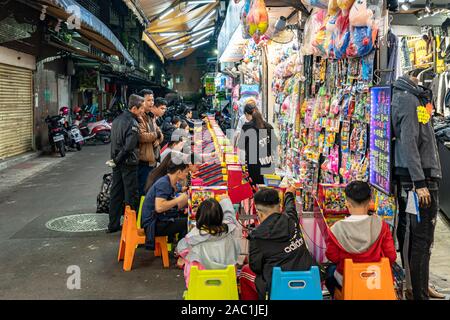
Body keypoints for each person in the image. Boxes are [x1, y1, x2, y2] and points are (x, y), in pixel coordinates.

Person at [392, 71, 444, 300]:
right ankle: (419, 292)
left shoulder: (409, 96)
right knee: (422, 239)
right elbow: (409, 142)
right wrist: (419, 182)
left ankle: (417, 286)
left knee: (415, 237)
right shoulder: (408, 99)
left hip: (414, 176)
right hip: (418, 179)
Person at [239, 186, 315, 300]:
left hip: (278, 287)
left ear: (259, 213)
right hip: (308, 280)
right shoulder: (291, 219)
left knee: (245, 271)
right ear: (279, 208)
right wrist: (289, 194)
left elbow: (256, 268)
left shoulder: (257, 236)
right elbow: (290, 206)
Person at [324, 181, 397, 297]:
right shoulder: (380, 224)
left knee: (329, 272)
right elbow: (391, 256)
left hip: (347, 280)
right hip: (376, 278)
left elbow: (332, 256)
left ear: (347, 203)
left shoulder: (336, 229)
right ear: (370, 201)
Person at [175, 194, 241, 288]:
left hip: (199, 285)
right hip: (226, 284)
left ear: (199, 216)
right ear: (220, 216)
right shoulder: (228, 231)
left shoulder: (193, 236)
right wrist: (226, 201)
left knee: (188, 261)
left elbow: (181, 252)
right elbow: (230, 218)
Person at [107, 94, 143, 233]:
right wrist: (118, 159)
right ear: (134, 108)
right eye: (141, 109)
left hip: (117, 162)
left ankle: (113, 224)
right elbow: (128, 147)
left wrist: (115, 160)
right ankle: (131, 227)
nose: (142, 112)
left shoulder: (117, 120)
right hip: (127, 163)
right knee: (131, 196)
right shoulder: (133, 123)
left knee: (116, 194)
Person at [141, 159, 190, 250]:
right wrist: (178, 200)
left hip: (157, 219)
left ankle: (180, 248)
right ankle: (181, 251)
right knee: (187, 223)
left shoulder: (168, 181)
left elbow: (169, 205)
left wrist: (184, 203)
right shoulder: (164, 183)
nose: (187, 174)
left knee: (185, 216)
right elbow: (159, 207)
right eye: (186, 172)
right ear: (179, 172)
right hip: (153, 225)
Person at [238, 101, 277, 185]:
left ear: (247, 114)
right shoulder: (269, 126)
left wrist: (242, 166)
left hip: (253, 167)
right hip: (267, 165)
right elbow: (274, 147)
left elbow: (241, 150)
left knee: (255, 190)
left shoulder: (246, 127)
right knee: (265, 189)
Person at [136, 89, 164, 196]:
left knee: (149, 188)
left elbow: (160, 133)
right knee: (143, 189)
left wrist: (157, 138)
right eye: (148, 100)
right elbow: (141, 136)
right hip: (143, 160)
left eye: (152, 100)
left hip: (152, 159)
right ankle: (142, 212)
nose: (151, 103)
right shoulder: (140, 117)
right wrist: (156, 135)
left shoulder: (151, 116)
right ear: (141, 102)